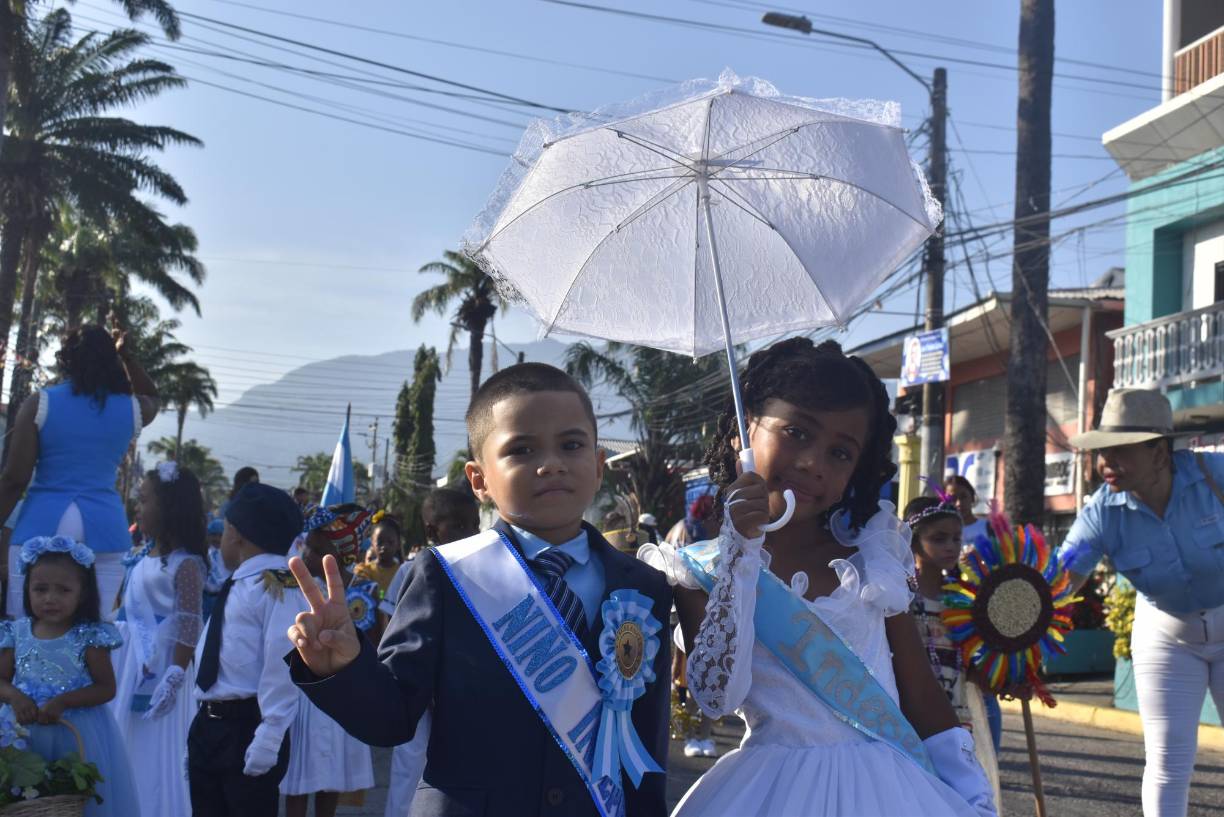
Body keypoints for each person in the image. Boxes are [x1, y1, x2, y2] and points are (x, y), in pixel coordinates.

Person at [286, 362, 673, 817]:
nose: (551, 464)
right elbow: (392, 718)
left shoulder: (644, 586)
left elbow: (647, 744)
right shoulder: (446, 575)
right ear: (479, 480)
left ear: (599, 466)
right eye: (521, 450)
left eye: (572, 445)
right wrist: (345, 667)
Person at [639, 338, 995, 817]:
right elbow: (718, 697)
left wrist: (972, 794)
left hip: (888, 793)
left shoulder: (872, 560)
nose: (813, 463)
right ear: (744, 431)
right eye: (796, 432)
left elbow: (921, 693)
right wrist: (740, 554)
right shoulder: (700, 570)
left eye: (840, 453)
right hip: (768, 793)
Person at [1060, 388, 1224, 817]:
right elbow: (1061, 579)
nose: (1106, 461)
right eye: (1103, 450)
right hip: (1167, 638)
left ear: (1160, 452)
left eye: (1121, 449)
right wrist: (1013, 617)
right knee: (1168, 763)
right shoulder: (1101, 514)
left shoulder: (1215, 476)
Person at [0, 324, 159, 620]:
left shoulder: (40, 403)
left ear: (67, 359)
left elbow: (14, 479)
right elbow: (153, 395)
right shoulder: (131, 408)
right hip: (106, 527)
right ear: (111, 360)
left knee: (25, 631)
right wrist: (127, 357)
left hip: (41, 523)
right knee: (98, 631)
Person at [188, 482, 307, 817]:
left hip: (247, 727)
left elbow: (285, 658)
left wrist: (271, 732)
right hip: (211, 725)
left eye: (225, 528)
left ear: (236, 533)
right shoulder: (241, 581)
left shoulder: (278, 582)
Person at [0, 536, 140, 817]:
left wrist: (64, 701)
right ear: (26, 589)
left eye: (63, 590)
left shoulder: (89, 636)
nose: (50, 598)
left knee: (75, 801)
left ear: (82, 593)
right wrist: (15, 697)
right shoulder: (16, 632)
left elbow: (106, 688)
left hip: (75, 733)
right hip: (21, 733)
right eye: (40, 589)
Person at [111, 461, 206, 817]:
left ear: (169, 507)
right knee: (125, 738)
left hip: (162, 666)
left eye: (145, 499)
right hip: (127, 663)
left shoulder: (186, 564)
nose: (138, 506)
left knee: (154, 743)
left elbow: (189, 623)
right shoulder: (141, 555)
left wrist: (176, 674)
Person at [382, 488, 479, 817]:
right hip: (419, 692)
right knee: (409, 770)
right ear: (432, 531)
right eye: (460, 525)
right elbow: (394, 628)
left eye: (475, 524)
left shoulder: (482, 570)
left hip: (462, 690)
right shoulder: (411, 570)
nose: (472, 533)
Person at [903, 495, 1002, 810]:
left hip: (958, 720)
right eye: (939, 538)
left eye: (956, 538)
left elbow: (973, 666)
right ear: (914, 542)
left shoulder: (965, 601)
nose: (951, 546)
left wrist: (1009, 673)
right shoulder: (900, 598)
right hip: (911, 721)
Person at [282, 504, 377, 817]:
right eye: (307, 546)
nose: (307, 554)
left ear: (339, 554)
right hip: (306, 697)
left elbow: (373, 642)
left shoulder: (363, 590)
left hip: (345, 696)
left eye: (316, 548)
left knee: (331, 778)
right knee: (298, 779)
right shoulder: (297, 588)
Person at [943, 475, 1003, 754]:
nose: (957, 503)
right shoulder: (940, 526)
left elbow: (1002, 566)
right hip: (948, 610)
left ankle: (991, 751)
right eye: (951, 498)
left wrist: (979, 565)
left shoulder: (985, 528)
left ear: (972, 498)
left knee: (984, 682)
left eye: (962, 497)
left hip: (983, 613)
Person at [354, 512, 402, 596]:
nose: (384, 546)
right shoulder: (365, 571)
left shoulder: (403, 573)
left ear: (398, 544)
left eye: (390, 542)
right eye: (380, 542)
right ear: (372, 543)